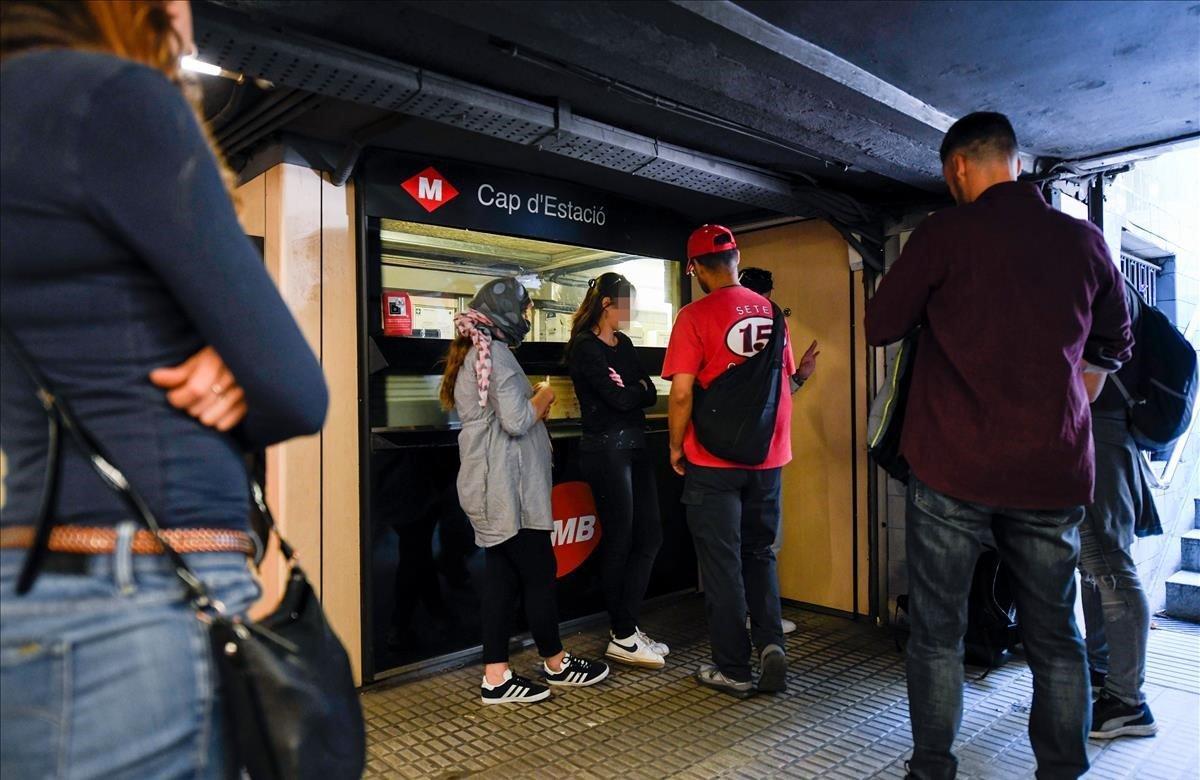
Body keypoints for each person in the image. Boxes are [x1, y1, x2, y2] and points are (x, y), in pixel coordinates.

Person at [0, 1, 328, 776]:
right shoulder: (114, 99)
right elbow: (295, 389)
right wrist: (235, 353)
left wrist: (228, 349)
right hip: (144, 588)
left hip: (38, 581)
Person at [865, 112, 1133, 780]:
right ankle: (1061, 771)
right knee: (1055, 637)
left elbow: (879, 324)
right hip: (1052, 471)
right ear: (1013, 162)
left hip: (953, 467)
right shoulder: (1084, 241)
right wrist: (1082, 386)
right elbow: (1116, 342)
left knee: (938, 633)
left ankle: (932, 768)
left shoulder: (944, 234)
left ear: (958, 167)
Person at [440, 277, 609, 705]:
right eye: (526, 311)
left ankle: (496, 677)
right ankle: (555, 662)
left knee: (501, 579)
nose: (528, 320)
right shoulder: (493, 353)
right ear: (506, 313)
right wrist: (545, 394)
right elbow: (516, 420)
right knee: (537, 573)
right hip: (505, 492)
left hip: (498, 488)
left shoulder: (480, 352)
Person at [662, 225, 797, 697]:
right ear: (737, 259)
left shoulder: (694, 315)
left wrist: (676, 446)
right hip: (769, 457)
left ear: (695, 268)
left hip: (714, 461)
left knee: (722, 563)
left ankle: (733, 669)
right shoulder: (772, 314)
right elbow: (786, 379)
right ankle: (771, 645)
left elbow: (680, 394)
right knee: (760, 554)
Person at [566, 272, 669, 669]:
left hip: (635, 447)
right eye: (627, 304)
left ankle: (626, 627)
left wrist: (635, 391)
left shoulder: (622, 344)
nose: (632, 312)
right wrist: (634, 391)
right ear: (607, 304)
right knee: (621, 538)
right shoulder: (584, 348)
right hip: (605, 451)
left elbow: (644, 390)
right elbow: (621, 396)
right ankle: (622, 632)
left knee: (651, 535)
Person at [1079, 283, 1161, 739]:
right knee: (1094, 565)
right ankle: (1104, 676)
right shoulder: (1097, 280)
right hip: (1096, 437)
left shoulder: (1101, 284)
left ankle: (1129, 702)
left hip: (1102, 438)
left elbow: (1091, 377)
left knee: (1110, 565)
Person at [737, 266, 820, 636]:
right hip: (765, 453)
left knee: (737, 540)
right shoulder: (774, 326)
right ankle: (758, 620)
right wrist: (798, 377)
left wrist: (800, 375)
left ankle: (744, 617)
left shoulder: (723, 324)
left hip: (721, 453)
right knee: (763, 541)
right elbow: (779, 391)